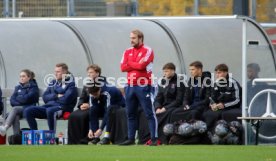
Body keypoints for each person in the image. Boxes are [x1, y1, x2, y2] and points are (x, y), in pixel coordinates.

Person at [120, 29, 158, 145]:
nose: (131, 40)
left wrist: (130, 63)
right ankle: (131, 139)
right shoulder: (127, 51)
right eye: (130, 38)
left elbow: (142, 66)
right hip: (130, 86)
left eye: (133, 38)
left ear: (140, 38)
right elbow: (122, 68)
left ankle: (154, 139)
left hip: (143, 85)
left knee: (149, 113)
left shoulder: (148, 50)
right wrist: (135, 64)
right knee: (130, 114)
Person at [24, 63, 78, 132]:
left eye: (58, 72)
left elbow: (66, 100)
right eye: (55, 71)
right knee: (28, 110)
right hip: (48, 107)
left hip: (62, 108)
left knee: (50, 110)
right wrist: (56, 96)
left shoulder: (71, 83)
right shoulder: (53, 82)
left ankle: (51, 135)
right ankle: (35, 134)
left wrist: (52, 98)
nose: (55, 74)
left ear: (65, 72)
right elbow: (45, 97)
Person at [68, 64, 105, 144]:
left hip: (99, 107)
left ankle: (90, 137)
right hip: (86, 107)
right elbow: (82, 97)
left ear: (97, 73)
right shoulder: (87, 83)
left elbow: (103, 98)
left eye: (91, 72)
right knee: (73, 115)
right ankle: (73, 140)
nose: (88, 74)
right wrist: (81, 105)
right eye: (88, 73)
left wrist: (89, 104)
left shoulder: (102, 83)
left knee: (84, 115)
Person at [0, 69, 39, 136]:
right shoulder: (17, 87)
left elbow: (26, 99)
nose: (21, 78)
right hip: (20, 110)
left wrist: (18, 99)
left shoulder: (33, 87)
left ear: (29, 77)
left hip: (29, 109)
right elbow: (12, 101)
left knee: (15, 109)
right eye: (20, 76)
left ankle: (5, 127)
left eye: (23, 76)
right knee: (16, 115)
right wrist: (21, 100)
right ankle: (17, 137)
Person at [202, 64, 242, 129]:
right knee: (207, 114)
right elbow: (212, 98)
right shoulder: (215, 83)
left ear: (225, 73)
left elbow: (237, 100)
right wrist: (212, 105)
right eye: (216, 73)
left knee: (224, 115)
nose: (217, 75)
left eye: (219, 73)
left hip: (231, 107)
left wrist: (224, 105)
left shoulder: (233, 83)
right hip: (219, 107)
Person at [154, 62, 185, 144]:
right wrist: (157, 107)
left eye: (167, 71)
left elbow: (178, 100)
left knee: (166, 113)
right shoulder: (163, 83)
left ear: (173, 71)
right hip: (162, 107)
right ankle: (152, 137)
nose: (165, 73)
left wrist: (165, 108)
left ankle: (163, 139)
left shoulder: (179, 83)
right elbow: (158, 98)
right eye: (164, 71)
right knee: (151, 114)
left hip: (173, 107)